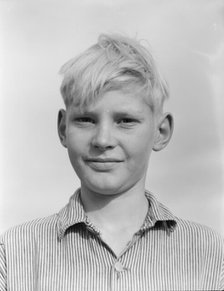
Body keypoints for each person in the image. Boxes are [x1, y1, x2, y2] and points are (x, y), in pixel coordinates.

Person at [0, 33, 223, 291]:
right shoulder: (15, 253)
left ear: (160, 132)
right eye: (85, 119)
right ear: (63, 128)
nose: (103, 139)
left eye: (125, 120)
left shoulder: (209, 255)